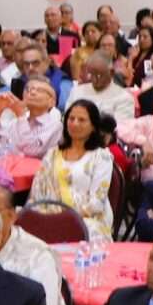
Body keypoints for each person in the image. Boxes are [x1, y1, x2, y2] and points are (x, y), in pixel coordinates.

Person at [38, 101, 117, 241]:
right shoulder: (52, 155)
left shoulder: (101, 156)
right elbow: (38, 193)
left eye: (81, 120)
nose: (74, 124)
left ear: (93, 126)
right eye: (71, 118)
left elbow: (97, 203)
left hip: (89, 220)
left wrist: (65, 218)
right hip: (51, 217)